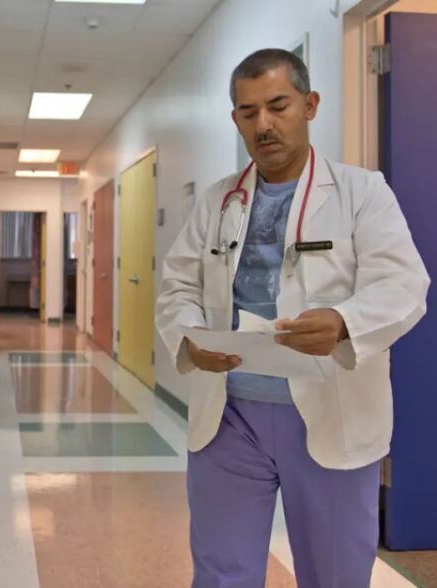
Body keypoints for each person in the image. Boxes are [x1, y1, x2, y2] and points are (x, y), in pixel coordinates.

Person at [156, 49, 429, 587]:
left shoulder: (361, 192)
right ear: (235, 119)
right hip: (230, 416)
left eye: (278, 105)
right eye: (248, 112)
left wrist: (344, 321)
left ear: (310, 104)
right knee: (220, 572)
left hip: (329, 408)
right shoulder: (218, 202)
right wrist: (190, 338)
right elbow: (177, 286)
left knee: (335, 574)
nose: (264, 124)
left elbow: (404, 283)